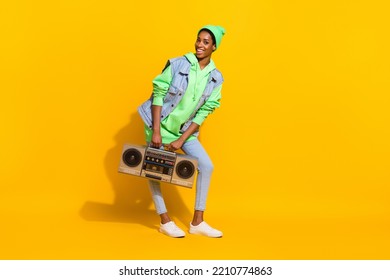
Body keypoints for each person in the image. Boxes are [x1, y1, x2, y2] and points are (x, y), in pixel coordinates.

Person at [138, 25, 226, 238]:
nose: (200, 45)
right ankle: (165, 220)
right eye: (198, 40)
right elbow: (158, 94)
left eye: (206, 42)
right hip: (158, 125)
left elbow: (203, 112)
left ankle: (197, 222)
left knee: (206, 165)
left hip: (184, 131)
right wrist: (157, 132)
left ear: (214, 47)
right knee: (154, 170)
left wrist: (181, 140)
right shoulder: (178, 64)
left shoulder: (216, 78)